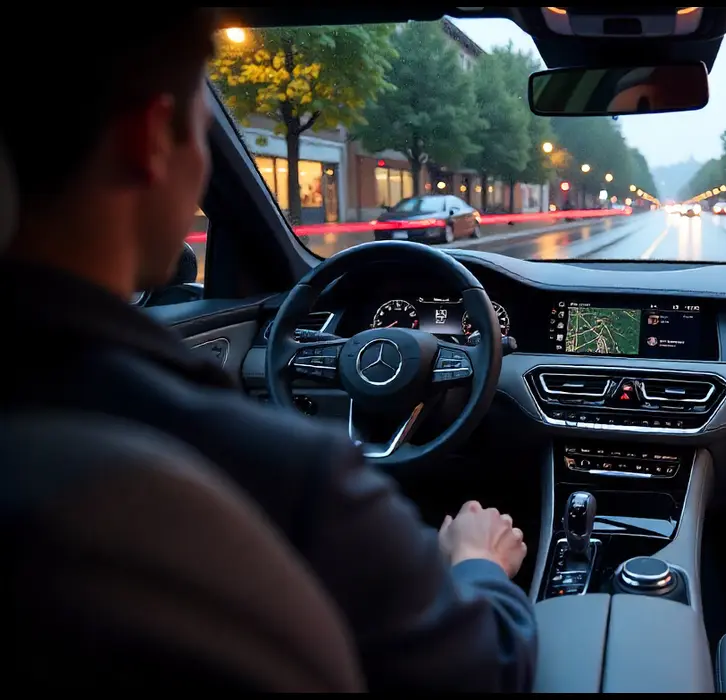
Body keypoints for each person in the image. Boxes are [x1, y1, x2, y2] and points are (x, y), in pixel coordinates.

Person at [0, 10, 536, 692]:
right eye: (202, 129)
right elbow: (487, 666)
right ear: (150, 140)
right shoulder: (289, 478)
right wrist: (477, 564)